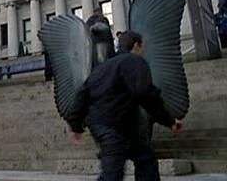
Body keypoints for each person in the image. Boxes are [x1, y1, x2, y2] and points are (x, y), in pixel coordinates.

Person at [66, 30, 183, 181]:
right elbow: (145, 93)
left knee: (144, 158)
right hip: (112, 126)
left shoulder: (102, 68)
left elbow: (82, 94)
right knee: (114, 171)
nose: (144, 52)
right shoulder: (135, 61)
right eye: (143, 47)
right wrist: (169, 121)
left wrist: (75, 125)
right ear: (137, 46)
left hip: (109, 124)